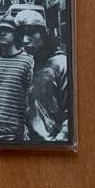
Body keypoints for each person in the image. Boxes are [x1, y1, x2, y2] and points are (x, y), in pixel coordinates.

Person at [16, 10, 69, 142]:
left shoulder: (61, 63)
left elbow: (73, 111)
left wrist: (59, 141)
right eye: (21, 34)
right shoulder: (30, 63)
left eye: (30, 33)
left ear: (44, 34)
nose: (24, 40)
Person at [0, 16, 34, 142]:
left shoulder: (28, 61)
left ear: (15, 34)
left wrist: (26, 127)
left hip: (18, 132)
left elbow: (29, 97)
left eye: (7, 30)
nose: (2, 33)